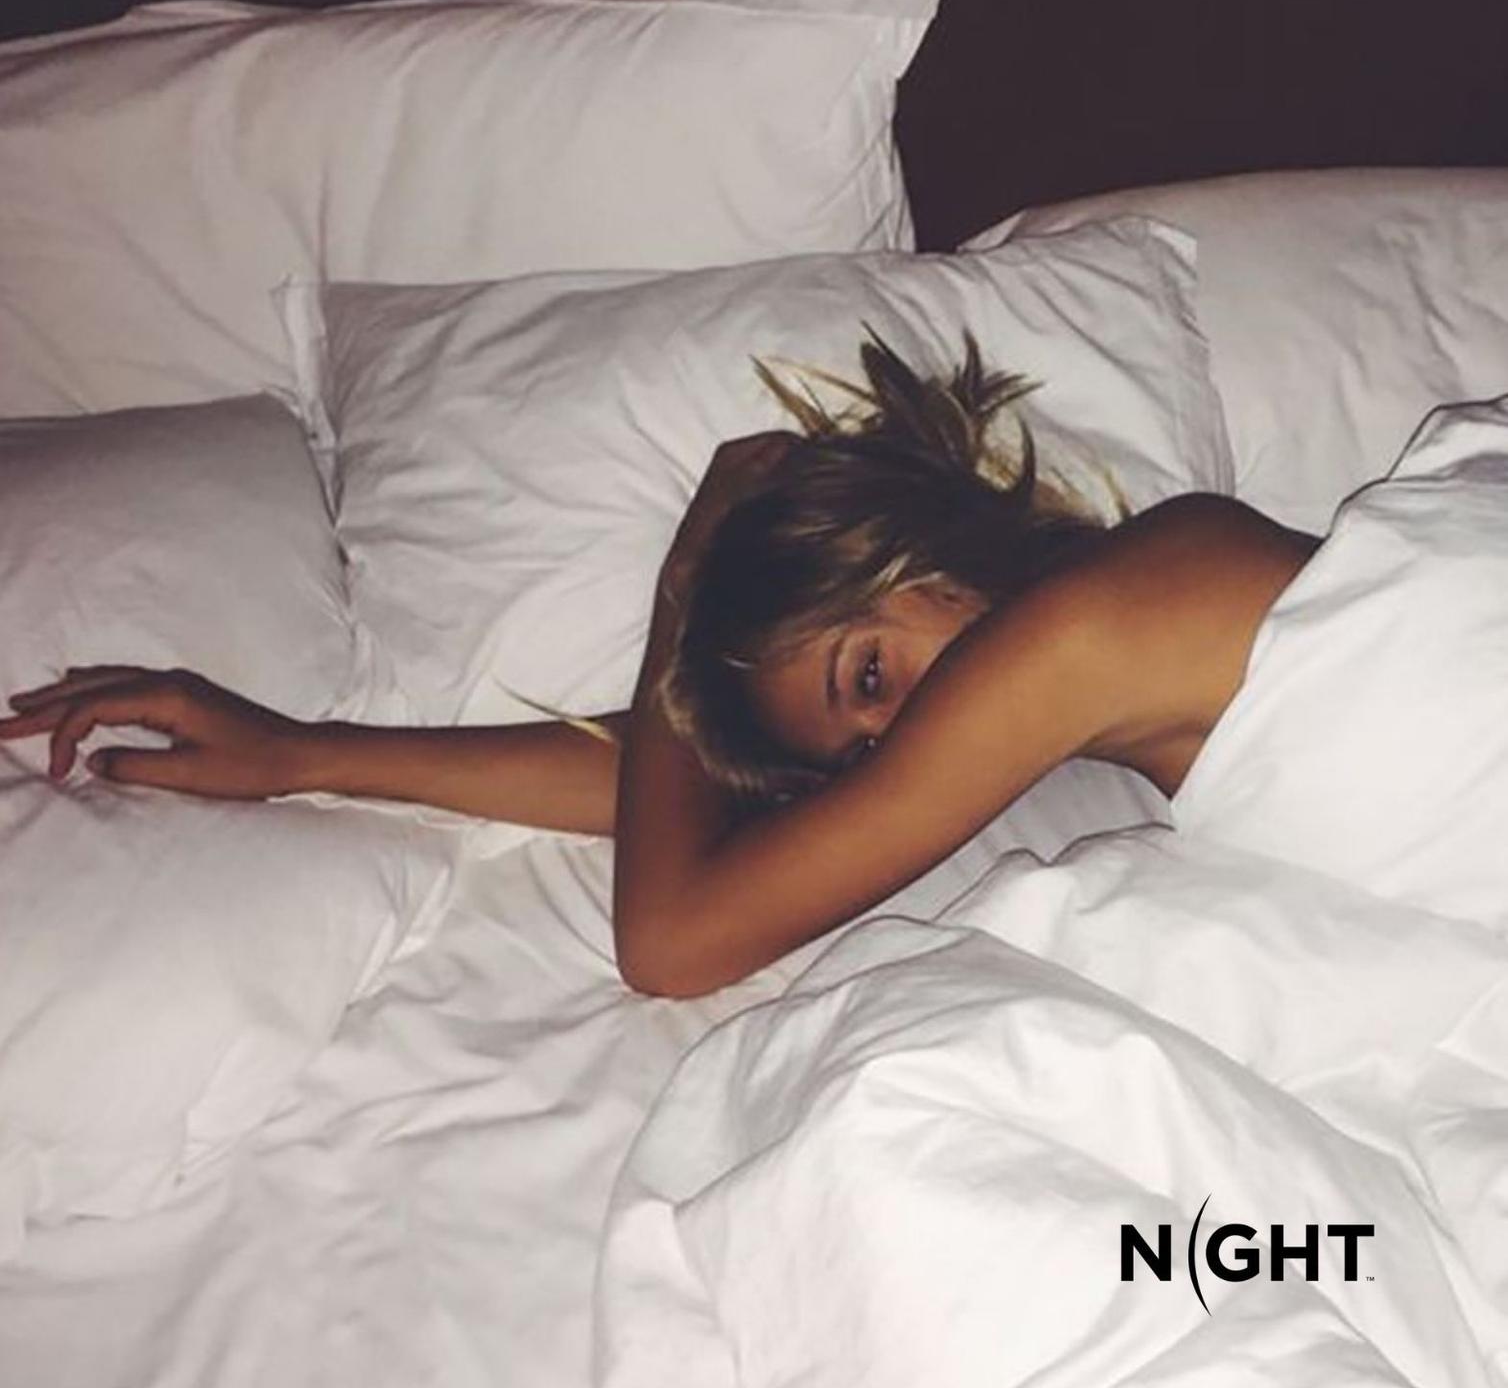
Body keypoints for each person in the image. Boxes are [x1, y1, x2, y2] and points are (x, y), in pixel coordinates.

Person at [0, 331, 1317, 999]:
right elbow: (701, 805)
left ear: (913, 552)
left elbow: (675, 939)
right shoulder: (1101, 667)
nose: (905, 749)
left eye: (868, 675)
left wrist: (684, 584)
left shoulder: (1105, 621)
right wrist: (309, 754)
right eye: (865, 746)